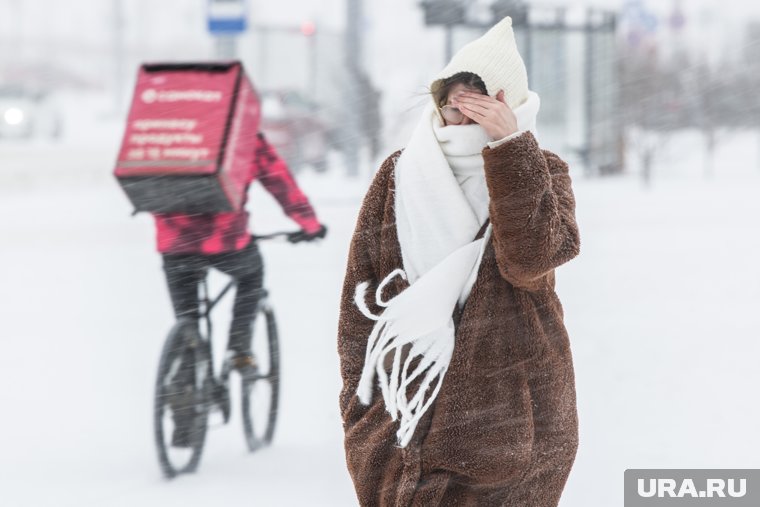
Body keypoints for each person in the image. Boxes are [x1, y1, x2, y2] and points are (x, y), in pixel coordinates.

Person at [337, 16, 580, 506]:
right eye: (454, 110)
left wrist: (509, 148)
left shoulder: (540, 168)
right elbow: (360, 296)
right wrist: (359, 410)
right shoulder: (400, 174)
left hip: (513, 425)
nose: (464, 124)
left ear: (507, 105)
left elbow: (532, 259)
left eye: (480, 110)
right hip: (402, 422)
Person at [156, 131, 326, 446]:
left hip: (175, 243)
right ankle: (239, 349)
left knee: (188, 320)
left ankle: (184, 386)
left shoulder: (168, 130)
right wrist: (309, 224)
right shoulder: (239, 132)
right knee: (251, 276)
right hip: (226, 242)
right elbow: (280, 182)